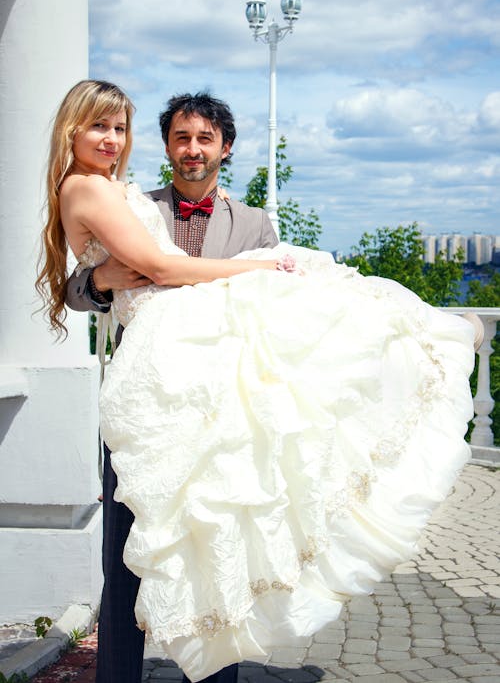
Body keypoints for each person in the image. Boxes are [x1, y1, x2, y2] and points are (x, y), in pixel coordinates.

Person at [37, 80, 479, 683]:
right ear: (167, 148)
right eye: (180, 139)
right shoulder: (126, 198)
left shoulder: (253, 223)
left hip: (227, 402)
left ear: (224, 148)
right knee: (129, 551)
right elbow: (82, 284)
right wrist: (107, 281)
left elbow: (277, 307)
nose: (192, 149)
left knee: (226, 538)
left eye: (204, 139)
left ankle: (218, 670)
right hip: (156, 390)